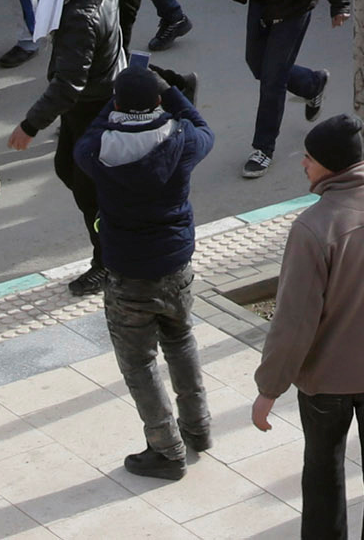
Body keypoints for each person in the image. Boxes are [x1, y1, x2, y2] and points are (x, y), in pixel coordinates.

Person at [256, 109, 364, 538]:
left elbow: (294, 320)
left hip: (328, 381)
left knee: (324, 476)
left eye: (309, 157)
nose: (303, 164)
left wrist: (268, 389)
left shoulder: (313, 227)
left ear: (330, 164)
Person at [81, 58, 215, 480]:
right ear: (157, 101)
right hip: (175, 265)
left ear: (118, 103)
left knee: (139, 364)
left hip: (126, 274)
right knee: (181, 340)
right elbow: (203, 126)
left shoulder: (94, 150)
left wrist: (116, 101)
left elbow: (90, 131)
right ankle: (198, 429)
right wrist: (171, 92)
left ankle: (167, 450)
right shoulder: (183, 140)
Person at [9, 0, 126, 291]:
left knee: (88, 186)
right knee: (68, 168)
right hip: (94, 101)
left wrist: (29, 126)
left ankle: (108, 261)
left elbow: (69, 84)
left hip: (92, 106)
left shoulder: (78, 14)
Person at [221, 0, 346, 177]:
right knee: (257, 65)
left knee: (273, 78)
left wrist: (339, 2)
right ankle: (312, 84)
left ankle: (263, 148)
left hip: (294, 1)